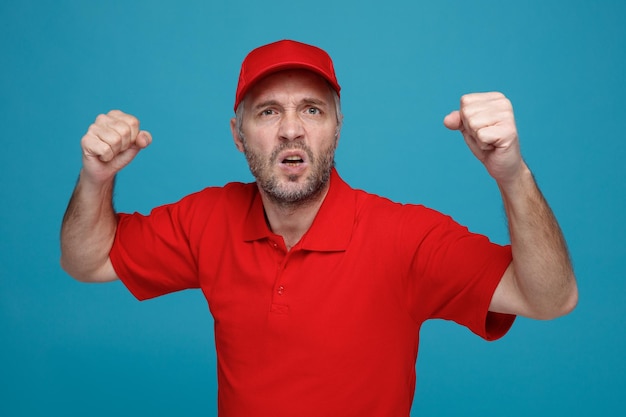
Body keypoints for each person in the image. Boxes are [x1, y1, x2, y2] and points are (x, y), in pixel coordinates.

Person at [60, 39, 578, 416]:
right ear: (238, 135)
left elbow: (550, 298)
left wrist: (511, 173)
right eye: (268, 111)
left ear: (337, 127)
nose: (291, 129)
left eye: (312, 109)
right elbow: (87, 260)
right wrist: (96, 177)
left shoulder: (404, 238)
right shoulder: (207, 219)